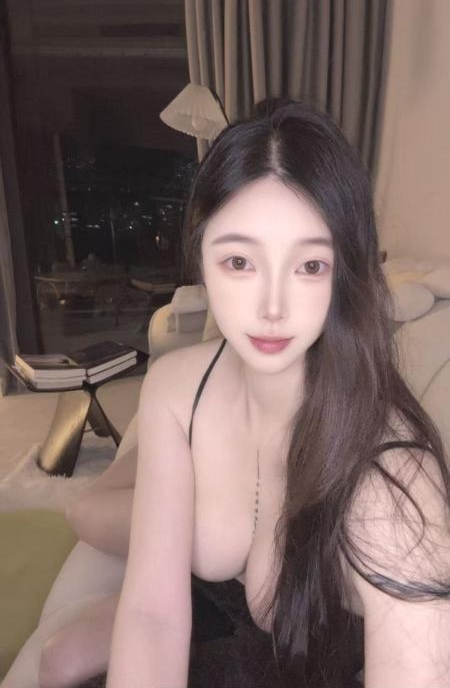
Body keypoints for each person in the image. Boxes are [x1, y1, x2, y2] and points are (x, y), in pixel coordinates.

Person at [42, 101, 450, 687]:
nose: (272, 307)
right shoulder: (176, 388)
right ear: (200, 257)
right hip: (217, 607)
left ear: (345, 272)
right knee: (60, 657)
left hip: (313, 664)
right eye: (239, 261)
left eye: (310, 266)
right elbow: (152, 614)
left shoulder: (393, 479)